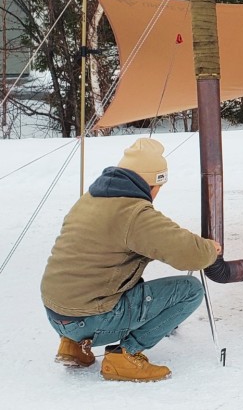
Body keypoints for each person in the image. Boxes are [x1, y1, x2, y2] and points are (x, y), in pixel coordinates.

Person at [40, 137, 222, 382]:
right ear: (153, 183)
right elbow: (190, 255)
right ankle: (124, 356)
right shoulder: (134, 213)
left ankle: (73, 345)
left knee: (120, 281)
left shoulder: (90, 199)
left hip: (56, 314)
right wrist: (209, 249)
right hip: (89, 317)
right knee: (190, 290)